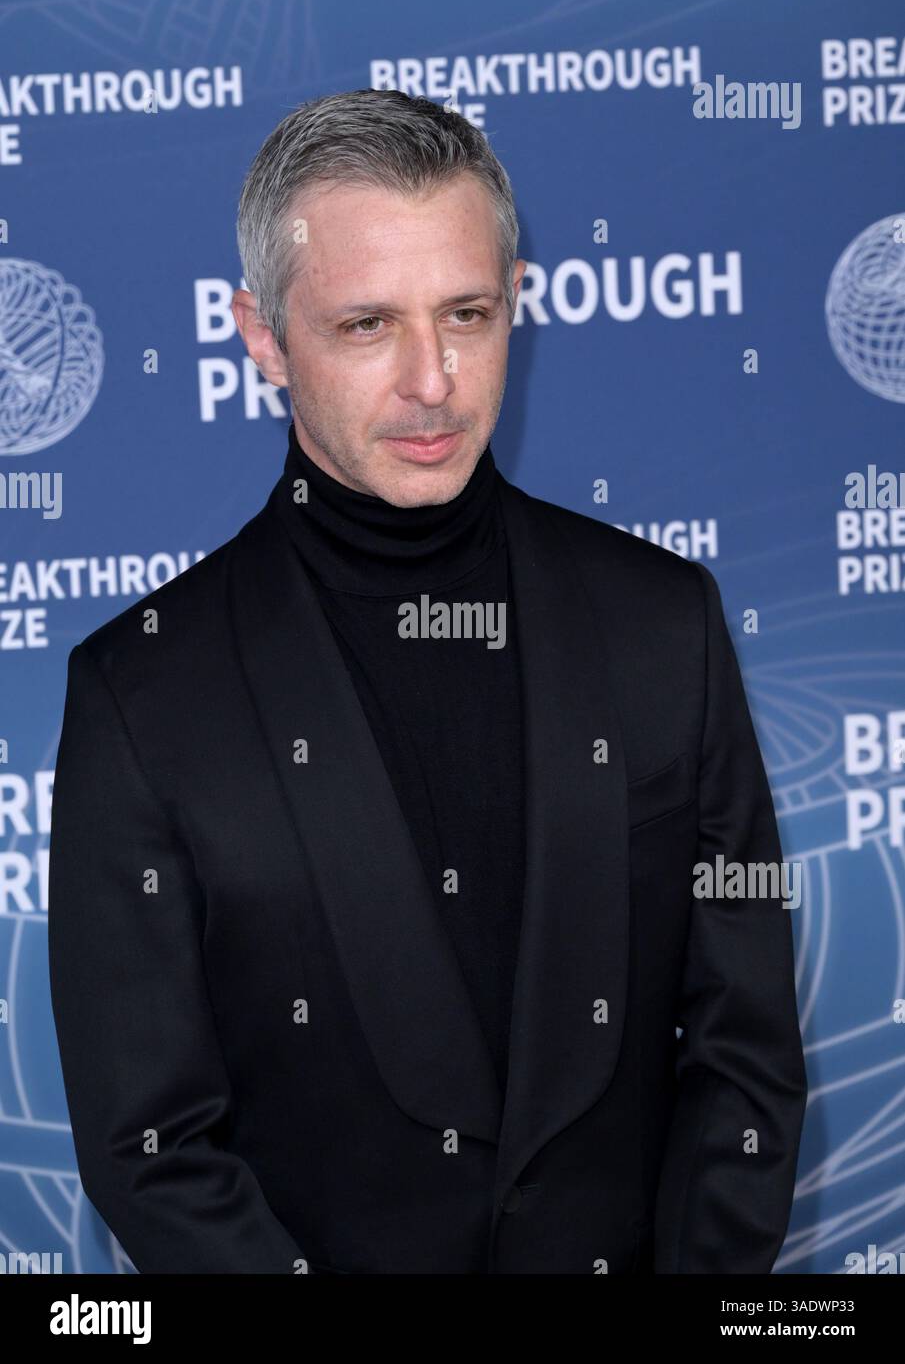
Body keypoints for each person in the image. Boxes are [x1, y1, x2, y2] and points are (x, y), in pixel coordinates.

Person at [48, 88, 807, 1275]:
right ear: (260, 336)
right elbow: (152, 1146)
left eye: (466, 313)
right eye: (364, 326)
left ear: (516, 304)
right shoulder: (140, 694)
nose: (432, 381)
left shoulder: (666, 625)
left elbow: (742, 1052)